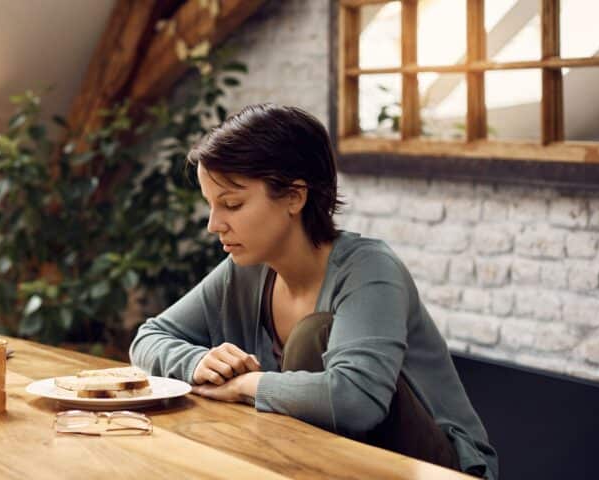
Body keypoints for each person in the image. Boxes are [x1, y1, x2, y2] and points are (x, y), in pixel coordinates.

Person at [129, 104, 497, 479]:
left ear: (294, 196)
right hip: (326, 462)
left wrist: (246, 385)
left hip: (436, 469)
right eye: (211, 205)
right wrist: (197, 363)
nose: (213, 224)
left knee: (312, 336)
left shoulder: (370, 268)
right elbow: (149, 338)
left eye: (232, 204)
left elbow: (355, 401)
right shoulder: (245, 272)